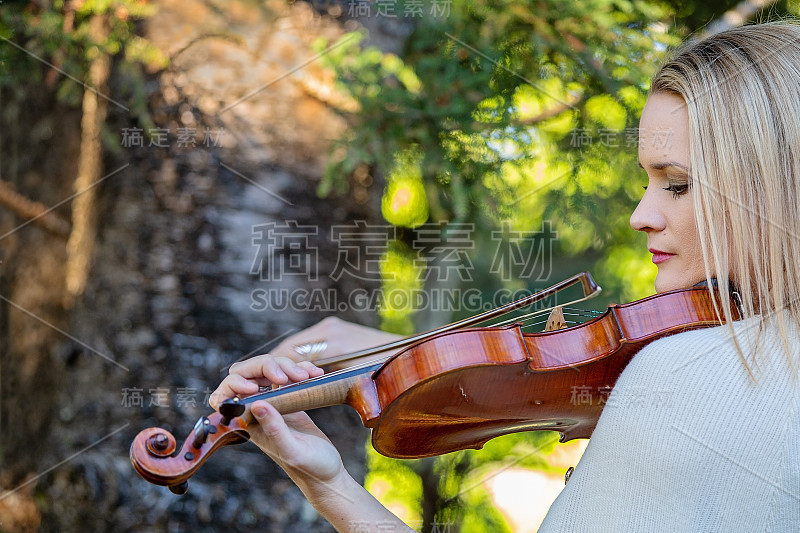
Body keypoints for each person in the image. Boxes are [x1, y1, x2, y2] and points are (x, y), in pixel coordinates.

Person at [211, 22, 800, 532]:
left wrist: (327, 486)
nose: (641, 216)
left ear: (774, 188)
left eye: (677, 184)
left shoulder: (685, 371)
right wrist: (393, 359)